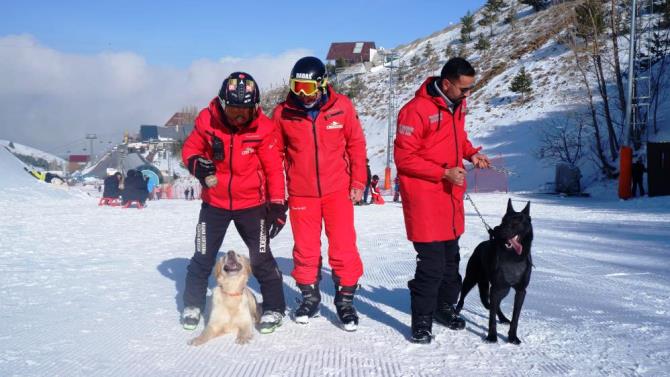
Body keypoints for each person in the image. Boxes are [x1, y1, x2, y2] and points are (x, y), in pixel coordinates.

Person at [181, 72, 288, 334]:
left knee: (261, 258)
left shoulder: (263, 128)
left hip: (251, 204)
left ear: (254, 107)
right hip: (214, 203)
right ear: (222, 103)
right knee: (203, 257)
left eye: (244, 110)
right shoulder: (208, 121)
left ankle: (274, 308)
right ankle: (193, 305)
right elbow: (190, 149)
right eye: (232, 109)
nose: (238, 116)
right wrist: (196, 163)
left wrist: (277, 205)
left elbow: (274, 168)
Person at [394, 57, 490, 344]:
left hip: (451, 199)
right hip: (425, 199)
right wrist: (442, 173)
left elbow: (457, 137)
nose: (468, 94)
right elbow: (404, 158)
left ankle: (443, 308)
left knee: (451, 262)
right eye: (464, 89)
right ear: (446, 84)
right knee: (432, 265)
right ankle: (421, 321)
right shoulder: (414, 111)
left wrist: (471, 153)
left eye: (471, 88)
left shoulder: (457, 105)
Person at [272, 56, 367, 331]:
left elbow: (356, 145)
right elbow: (274, 154)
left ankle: (345, 301)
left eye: (308, 88)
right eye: (296, 87)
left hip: (338, 190)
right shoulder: (283, 113)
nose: (302, 95)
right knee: (305, 248)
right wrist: (278, 193)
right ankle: (310, 298)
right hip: (302, 195)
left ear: (322, 84)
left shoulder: (342, 107)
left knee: (343, 246)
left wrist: (358, 182)